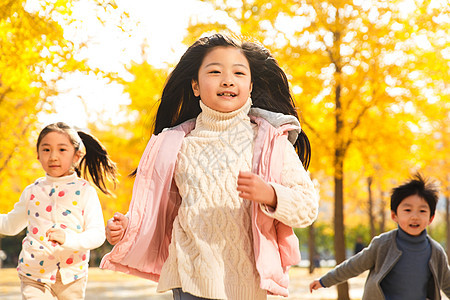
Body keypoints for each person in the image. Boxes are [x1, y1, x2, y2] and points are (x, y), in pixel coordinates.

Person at [100, 33, 319, 300]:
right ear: (195, 85)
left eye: (238, 73)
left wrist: (271, 194)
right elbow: (161, 208)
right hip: (190, 274)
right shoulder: (174, 144)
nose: (227, 79)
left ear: (250, 86)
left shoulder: (271, 142)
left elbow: (308, 207)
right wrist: (128, 228)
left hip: (247, 281)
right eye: (215, 71)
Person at [0, 122, 117, 300]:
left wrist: (69, 239)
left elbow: (97, 234)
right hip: (33, 275)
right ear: (38, 155)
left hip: (72, 276)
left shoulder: (85, 191)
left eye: (62, 150)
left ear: (77, 156)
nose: (53, 156)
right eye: (46, 150)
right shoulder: (32, 191)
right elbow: (10, 224)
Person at [310, 173, 450, 300]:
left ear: (431, 218)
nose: (415, 216)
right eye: (407, 210)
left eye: (422, 211)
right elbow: (353, 266)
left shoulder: (435, 252)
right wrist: (325, 281)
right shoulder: (383, 244)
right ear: (394, 215)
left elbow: (447, 283)